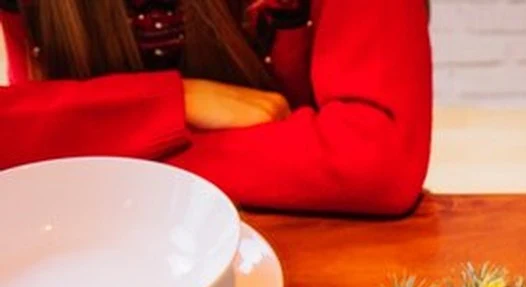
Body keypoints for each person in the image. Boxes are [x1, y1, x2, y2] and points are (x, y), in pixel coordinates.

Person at [0, 0, 432, 215]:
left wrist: (79, 136)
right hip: (79, 251)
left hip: (301, 246)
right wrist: (167, 104)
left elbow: (377, 156)